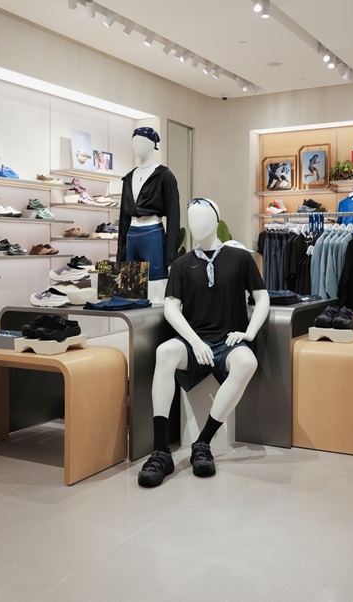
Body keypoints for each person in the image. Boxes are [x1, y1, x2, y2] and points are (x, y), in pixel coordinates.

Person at [137, 198, 269, 488]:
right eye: (191, 218)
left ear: (216, 219)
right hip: (194, 341)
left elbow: (262, 298)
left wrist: (248, 333)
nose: (196, 224)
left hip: (228, 341)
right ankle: (161, 451)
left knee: (247, 362)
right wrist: (194, 341)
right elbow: (171, 307)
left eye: (203, 217)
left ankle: (203, 442)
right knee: (164, 352)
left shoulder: (240, 258)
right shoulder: (182, 264)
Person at [118, 127, 180, 303]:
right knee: (130, 293)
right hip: (131, 235)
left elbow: (174, 215)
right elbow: (123, 217)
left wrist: (171, 257)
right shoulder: (129, 177)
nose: (136, 145)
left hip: (152, 235)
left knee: (156, 293)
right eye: (134, 141)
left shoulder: (165, 175)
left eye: (142, 141)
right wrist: (120, 253)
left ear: (153, 144)